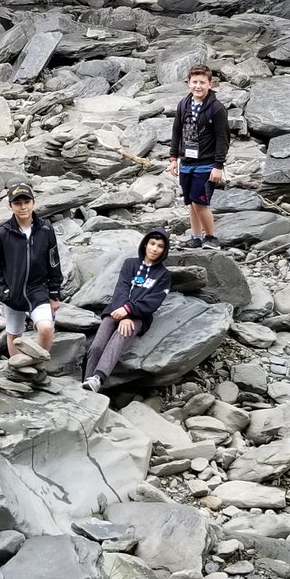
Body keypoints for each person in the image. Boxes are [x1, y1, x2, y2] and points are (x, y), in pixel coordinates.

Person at [82, 228, 171, 392]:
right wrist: (123, 313)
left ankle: (98, 378)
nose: (154, 249)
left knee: (119, 337)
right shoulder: (130, 264)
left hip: (139, 317)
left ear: (164, 250)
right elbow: (121, 289)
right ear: (145, 244)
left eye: (160, 246)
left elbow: (153, 302)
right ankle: (87, 381)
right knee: (97, 345)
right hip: (115, 310)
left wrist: (129, 311)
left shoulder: (163, 275)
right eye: (152, 243)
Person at [0, 182, 64, 358]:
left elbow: (53, 262)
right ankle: (17, 368)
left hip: (38, 290)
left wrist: (54, 293)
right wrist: (3, 292)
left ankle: (37, 364)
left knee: (46, 328)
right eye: (17, 203)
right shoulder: (2, 234)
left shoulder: (46, 229)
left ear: (33, 203)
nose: (23, 207)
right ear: (10, 206)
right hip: (12, 292)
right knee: (14, 334)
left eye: (26, 202)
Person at [169, 64, 230, 250]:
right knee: (191, 202)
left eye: (202, 82)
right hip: (186, 162)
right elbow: (176, 131)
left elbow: (223, 138)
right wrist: (173, 159)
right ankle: (195, 238)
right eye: (194, 82)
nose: (198, 86)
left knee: (199, 201)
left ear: (210, 84)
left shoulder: (216, 109)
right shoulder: (183, 105)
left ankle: (211, 238)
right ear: (188, 83)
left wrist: (218, 166)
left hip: (207, 164)